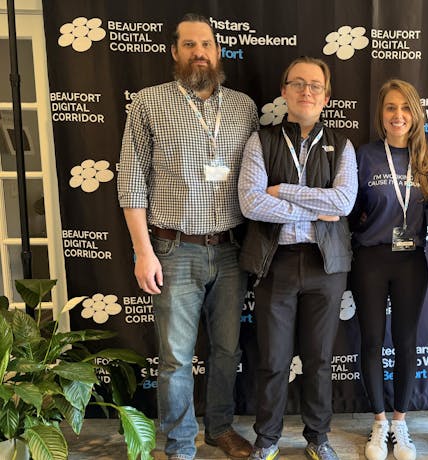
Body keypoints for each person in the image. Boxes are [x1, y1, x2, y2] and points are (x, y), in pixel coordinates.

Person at [117, 13, 258, 460]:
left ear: (218, 52)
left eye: (207, 44)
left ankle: (220, 429)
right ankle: (179, 444)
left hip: (232, 249)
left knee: (227, 350)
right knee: (176, 356)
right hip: (174, 249)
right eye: (191, 44)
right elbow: (131, 180)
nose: (200, 52)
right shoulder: (148, 103)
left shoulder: (243, 107)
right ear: (175, 52)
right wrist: (143, 251)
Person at [237, 56, 358, 460]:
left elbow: (343, 202)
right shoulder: (260, 141)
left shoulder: (342, 145)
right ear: (284, 91)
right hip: (276, 263)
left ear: (326, 97)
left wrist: (283, 191)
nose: (307, 91)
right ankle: (267, 438)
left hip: (327, 266)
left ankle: (318, 437)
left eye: (315, 86)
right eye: (299, 84)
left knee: (319, 359)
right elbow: (252, 203)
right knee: (273, 359)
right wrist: (314, 210)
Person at [349, 79, 428, 460]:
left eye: (405, 108)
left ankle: (400, 422)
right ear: (381, 115)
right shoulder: (365, 155)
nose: (398, 115)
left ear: (415, 113)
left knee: (406, 341)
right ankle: (379, 422)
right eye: (390, 108)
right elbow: (351, 209)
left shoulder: (427, 157)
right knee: (371, 341)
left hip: (411, 261)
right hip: (371, 258)